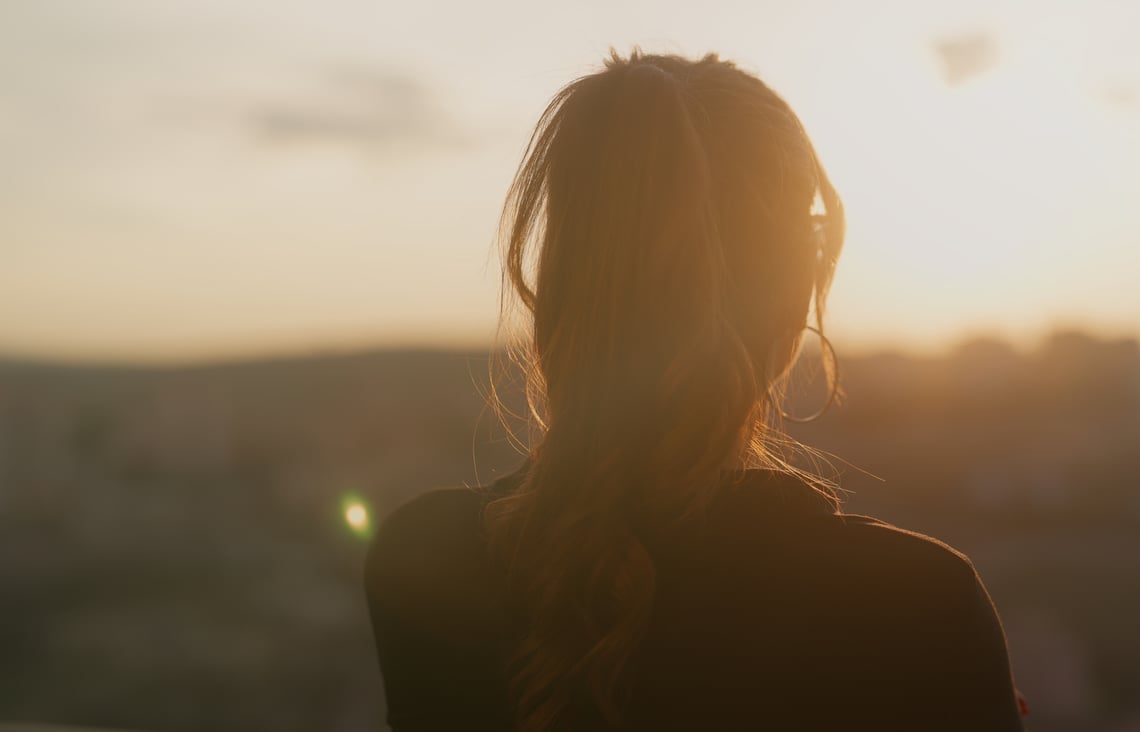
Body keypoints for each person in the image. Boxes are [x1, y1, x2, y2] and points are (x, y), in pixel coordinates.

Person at [365, 50, 1026, 731]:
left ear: (562, 276)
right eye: (811, 232)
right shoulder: (914, 602)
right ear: (791, 286)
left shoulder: (424, 559)